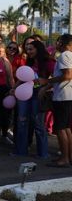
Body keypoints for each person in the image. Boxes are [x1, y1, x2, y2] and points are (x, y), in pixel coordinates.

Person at [14, 39, 54, 158]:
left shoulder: (48, 62)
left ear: (38, 49)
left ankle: (43, 153)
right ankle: (21, 151)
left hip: (38, 95)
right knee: (22, 121)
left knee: (38, 124)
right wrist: (13, 89)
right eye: (27, 49)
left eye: (31, 49)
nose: (28, 51)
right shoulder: (29, 62)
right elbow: (22, 77)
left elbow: (57, 78)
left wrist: (45, 87)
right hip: (25, 94)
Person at [41, 34, 72, 167]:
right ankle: (69, 157)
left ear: (62, 43)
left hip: (63, 96)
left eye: (57, 41)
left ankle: (64, 159)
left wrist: (47, 81)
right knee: (66, 128)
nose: (56, 44)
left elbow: (67, 75)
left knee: (60, 128)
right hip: (68, 96)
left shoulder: (65, 55)